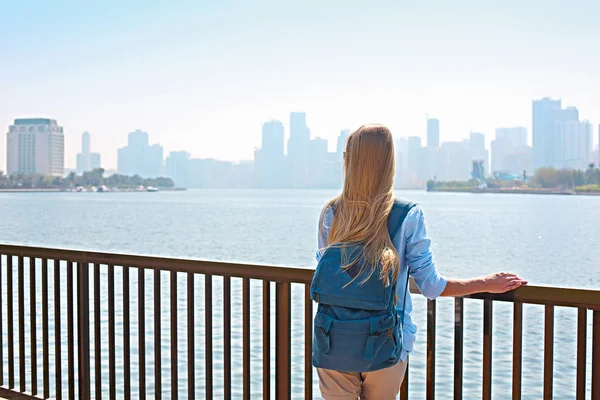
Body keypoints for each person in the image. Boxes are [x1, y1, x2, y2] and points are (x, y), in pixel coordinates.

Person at [312, 124, 526, 400]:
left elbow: (326, 275)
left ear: (349, 161)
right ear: (389, 163)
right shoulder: (407, 215)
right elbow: (430, 286)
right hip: (384, 343)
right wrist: (486, 283)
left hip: (333, 341)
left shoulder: (331, 213)